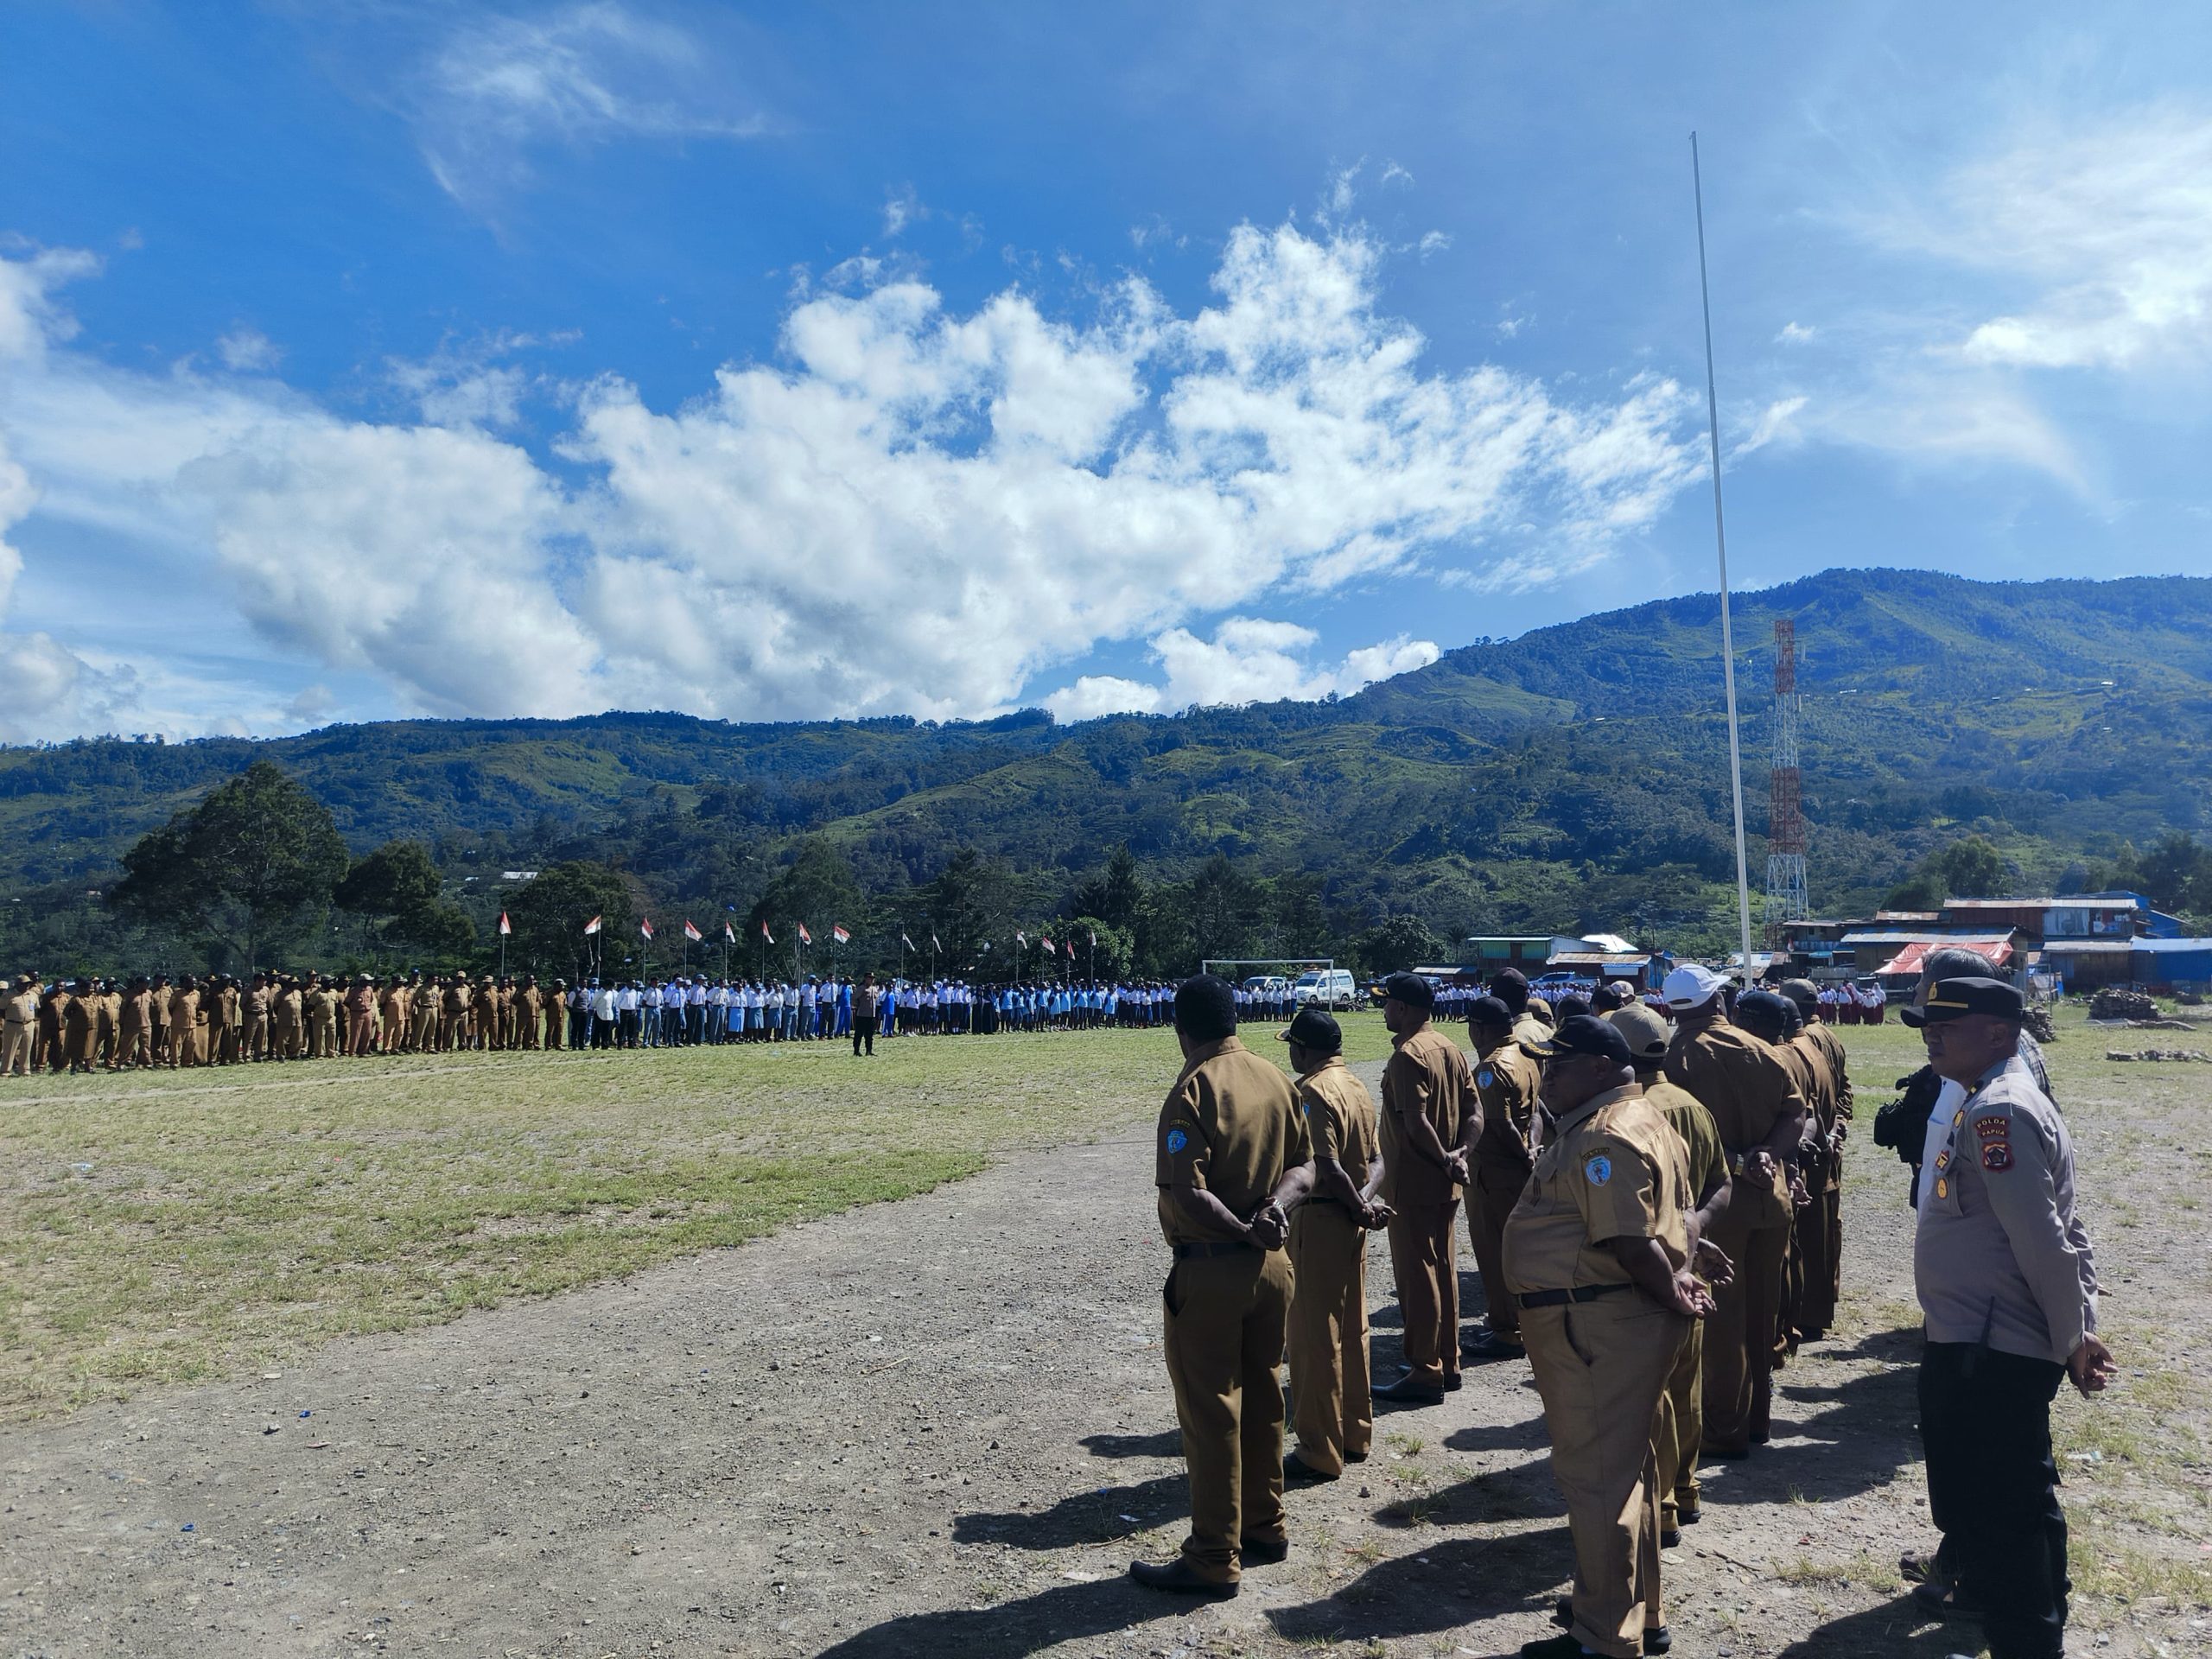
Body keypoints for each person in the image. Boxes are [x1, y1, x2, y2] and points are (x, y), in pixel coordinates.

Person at [1904, 976, 2109, 1659]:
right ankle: (2031, 1621)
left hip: (1989, 1347)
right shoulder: (1985, 1099)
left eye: (1947, 1026)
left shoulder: (2000, 1111)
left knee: (2000, 1509)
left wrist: (2074, 1336)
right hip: (1979, 1338)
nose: (1931, 1035)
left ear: (1998, 1033)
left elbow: (2042, 1235)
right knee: (2016, 1496)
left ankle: (2026, 1640)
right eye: (1928, 1025)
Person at [1505, 1015, 1712, 1659]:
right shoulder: (1644, 1116)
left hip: (1597, 1320)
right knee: (1629, 1473)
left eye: (1558, 1066)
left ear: (1599, 1066)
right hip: (1614, 1316)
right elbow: (1674, 1217)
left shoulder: (1605, 1136)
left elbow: (1629, 1239)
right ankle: (1634, 1612)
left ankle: (1603, 1636)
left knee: (1597, 1479)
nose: (1547, 1078)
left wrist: (1670, 1282)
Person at [1131, 975, 1313, 1599]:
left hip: (1213, 1268)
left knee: (1212, 1416)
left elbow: (1188, 1191)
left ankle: (1213, 1555)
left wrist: (1242, 1228)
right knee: (1265, 1400)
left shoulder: (1194, 1087)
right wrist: (1275, 1215)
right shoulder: (1275, 1078)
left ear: (1180, 1028)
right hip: (1274, 1267)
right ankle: (1266, 1524)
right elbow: (1305, 1165)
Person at [1661, 963, 1805, 1459]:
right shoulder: (1763, 1049)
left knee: (1722, 1320)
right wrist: (1769, 1152)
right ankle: (1757, 1420)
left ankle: (1726, 1428)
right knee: (1763, 1315)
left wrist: (1742, 1160)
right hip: (1772, 1199)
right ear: (1718, 1000)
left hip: (1716, 1208)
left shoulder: (1675, 1057)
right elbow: (1795, 1114)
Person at [1611, 1003, 1734, 1545]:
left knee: (1650, 1396)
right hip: (1691, 1268)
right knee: (1687, 1385)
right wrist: (1695, 1234)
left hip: (1651, 1274)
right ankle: (1685, 1492)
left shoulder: (1625, 1114)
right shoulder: (1693, 1106)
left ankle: (1658, 1506)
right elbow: (1721, 1185)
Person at [1278, 1006, 1387, 1484]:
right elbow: (1378, 1159)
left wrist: (1355, 1204)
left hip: (1323, 1218)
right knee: (1353, 1329)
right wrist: (1364, 1204)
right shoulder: (1356, 1084)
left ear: (1304, 1048)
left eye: (1293, 1046)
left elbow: (1324, 1164)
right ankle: (1355, 1433)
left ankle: (1319, 1448)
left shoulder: (1314, 1090)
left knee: (1313, 1337)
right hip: (1351, 1219)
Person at [1373, 971, 1478, 1406]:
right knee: (1444, 1271)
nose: (1384, 1010)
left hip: (1415, 1181)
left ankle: (1424, 1369)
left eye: (1388, 1003)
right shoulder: (1450, 1048)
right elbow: (1475, 1111)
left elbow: (1415, 1122)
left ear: (1404, 1008)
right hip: (1445, 1181)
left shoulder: (1408, 1056)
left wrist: (1442, 1160)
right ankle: (1447, 1360)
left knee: (1418, 1276)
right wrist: (1461, 1156)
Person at [1464, 994, 1543, 1363]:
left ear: (1478, 1028)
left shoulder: (1490, 1067)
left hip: (1495, 1173)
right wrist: (1532, 1149)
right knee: (1522, 1250)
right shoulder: (1527, 1055)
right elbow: (1539, 1112)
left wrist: (1521, 1154)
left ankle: (1506, 1330)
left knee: (1495, 1253)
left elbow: (1500, 1124)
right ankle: (1523, 1321)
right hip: (1520, 1164)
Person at [851, 973, 881, 1056]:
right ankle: (856, 1051)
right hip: (862, 1015)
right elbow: (854, 998)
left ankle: (869, 1051)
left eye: (873, 978)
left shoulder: (874, 989)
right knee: (859, 1034)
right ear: (865, 978)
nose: (871, 979)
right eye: (870, 978)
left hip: (871, 1015)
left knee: (870, 1035)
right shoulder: (861, 988)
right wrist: (856, 1007)